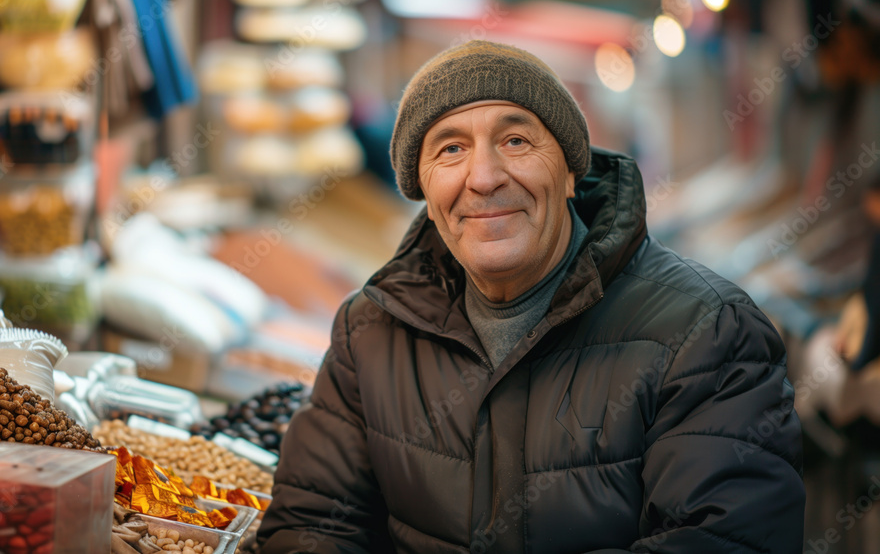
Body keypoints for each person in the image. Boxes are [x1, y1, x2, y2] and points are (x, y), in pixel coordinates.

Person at [257, 40, 804, 553]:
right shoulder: (369, 334)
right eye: (450, 149)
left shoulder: (708, 333)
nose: (485, 177)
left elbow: (725, 540)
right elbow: (312, 525)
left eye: (516, 141)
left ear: (569, 171)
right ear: (423, 189)